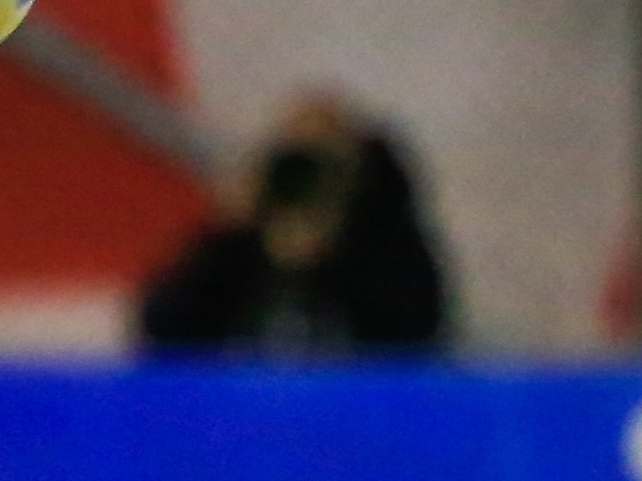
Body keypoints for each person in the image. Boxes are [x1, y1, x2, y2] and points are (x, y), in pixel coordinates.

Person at [139, 104, 449, 354]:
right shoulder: (234, 251)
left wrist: (337, 251)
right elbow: (162, 329)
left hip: (357, 420)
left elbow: (417, 338)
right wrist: (227, 231)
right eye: (293, 160)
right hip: (244, 420)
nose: (305, 178)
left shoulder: (389, 250)